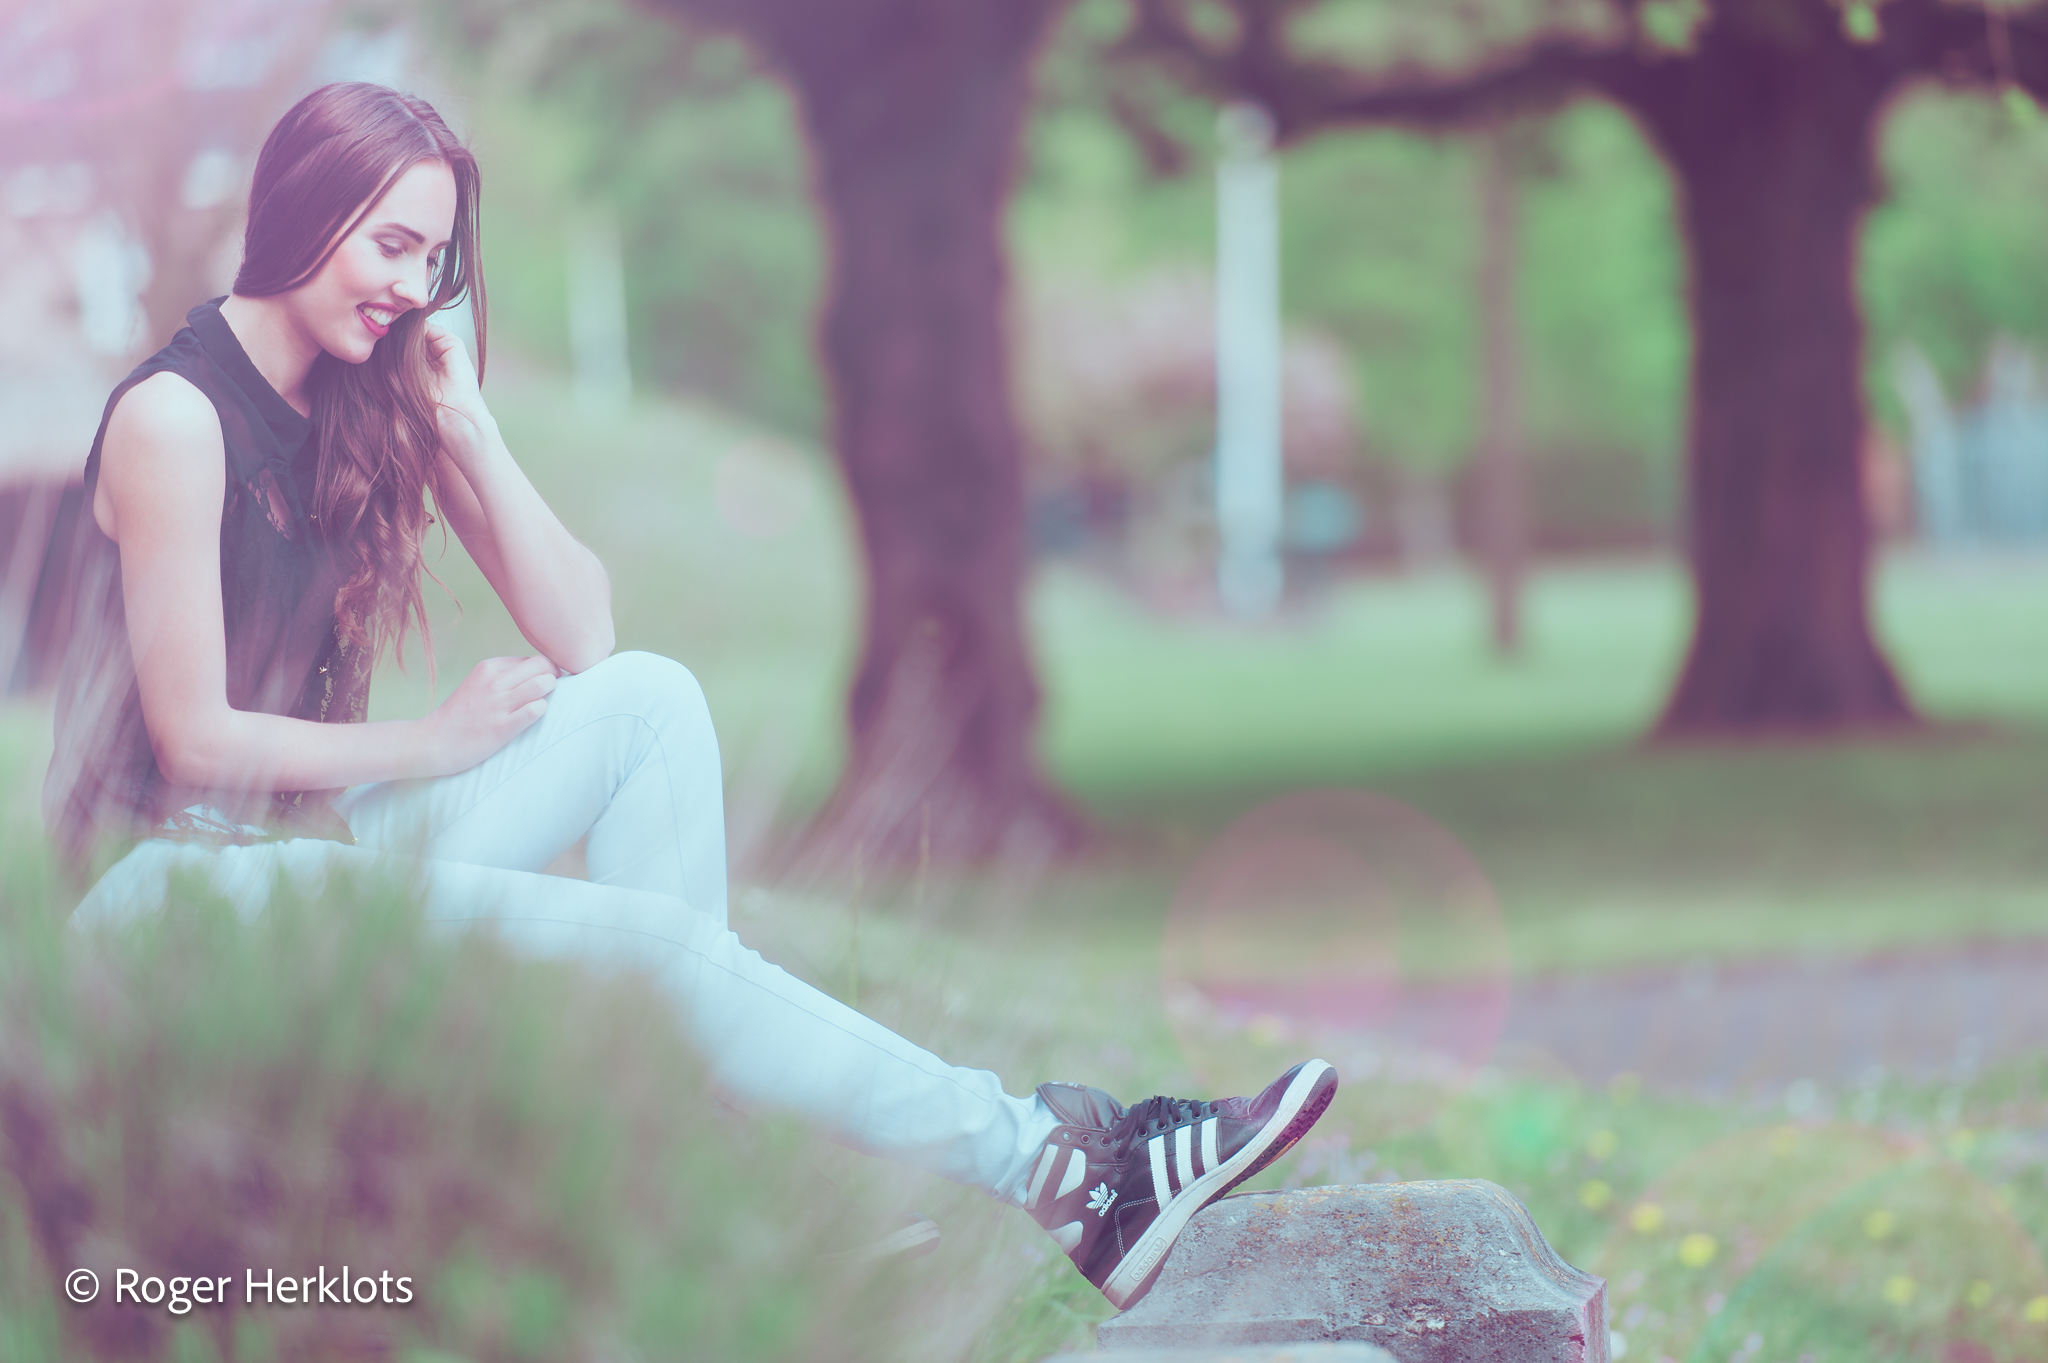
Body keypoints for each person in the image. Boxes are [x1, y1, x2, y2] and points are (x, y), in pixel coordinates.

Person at [45, 82, 1336, 1310]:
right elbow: (191, 733)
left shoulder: (366, 404)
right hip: (168, 896)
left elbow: (585, 630)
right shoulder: (176, 416)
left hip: (308, 862)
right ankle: (1071, 1180)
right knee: (666, 958)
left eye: (432, 259)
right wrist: (433, 742)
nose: (409, 285)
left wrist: (466, 420)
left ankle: (700, 1171)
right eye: (388, 243)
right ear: (301, 209)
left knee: (650, 701)